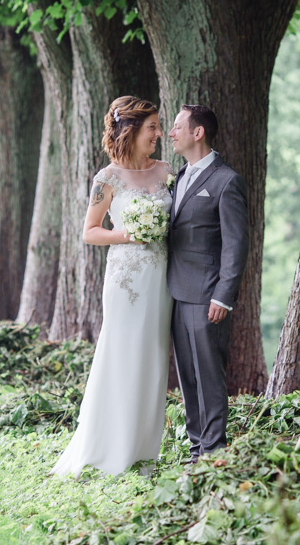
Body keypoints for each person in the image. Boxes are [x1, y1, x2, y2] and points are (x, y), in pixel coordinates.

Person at [51, 96, 175, 477]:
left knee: (153, 359)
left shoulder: (168, 171)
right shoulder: (106, 178)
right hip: (126, 279)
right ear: (132, 130)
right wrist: (130, 233)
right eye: (152, 127)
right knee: (122, 353)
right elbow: (89, 232)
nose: (158, 133)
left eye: (157, 126)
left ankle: (143, 453)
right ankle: (108, 449)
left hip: (162, 279)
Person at [166, 104, 249, 464]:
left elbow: (236, 244)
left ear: (197, 133)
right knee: (187, 375)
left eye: (177, 127)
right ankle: (196, 446)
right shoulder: (177, 177)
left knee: (209, 375)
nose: (171, 133)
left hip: (207, 295)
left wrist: (224, 296)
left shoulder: (226, 181)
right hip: (174, 292)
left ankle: (214, 450)